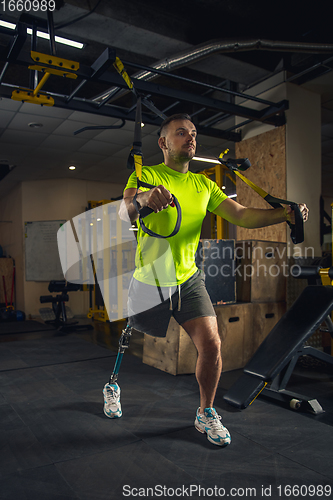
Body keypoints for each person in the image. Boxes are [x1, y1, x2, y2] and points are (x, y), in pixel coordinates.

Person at [103, 113, 309, 447]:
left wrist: (283, 214)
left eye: (194, 133)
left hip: (188, 278)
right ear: (164, 142)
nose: (190, 138)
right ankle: (112, 385)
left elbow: (241, 214)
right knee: (131, 335)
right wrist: (144, 199)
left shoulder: (204, 185)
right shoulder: (146, 175)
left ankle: (205, 412)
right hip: (150, 280)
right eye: (181, 133)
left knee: (212, 343)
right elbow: (123, 212)